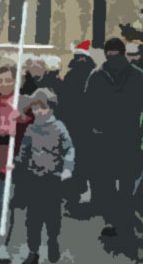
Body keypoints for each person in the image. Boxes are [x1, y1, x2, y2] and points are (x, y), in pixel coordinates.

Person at [84, 37, 143, 238]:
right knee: (119, 180)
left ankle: (115, 218)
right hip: (120, 135)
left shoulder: (98, 75)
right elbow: (141, 103)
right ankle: (119, 217)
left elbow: (88, 104)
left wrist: (95, 126)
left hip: (112, 135)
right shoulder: (134, 75)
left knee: (113, 180)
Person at [10, 88, 74, 264]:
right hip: (33, 177)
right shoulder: (31, 129)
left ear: (51, 109)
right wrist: (16, 163)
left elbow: (69, 149)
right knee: (33, 218)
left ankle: (53, 240)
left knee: (52, 215)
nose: (39, 112)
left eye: (43, 108)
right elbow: (24, 150)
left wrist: (68, 168)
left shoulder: (59, 127)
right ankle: (33, 250)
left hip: (52, 178)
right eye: (36, 108)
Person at [0, 66, 32, 230]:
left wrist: (20, 120)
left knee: (16, 199)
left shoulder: (22, 101)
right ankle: (2, 231)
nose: (4, 84)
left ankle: (14, 228)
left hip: (18, 156)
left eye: (8, 80)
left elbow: (31, 125)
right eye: (0, 80)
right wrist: (2, 130)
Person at [62, 41, 96, 209]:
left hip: (85, 126)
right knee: (77, 161)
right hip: (76, 125)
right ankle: (75, 193)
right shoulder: (75, 76)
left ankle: (79, 192)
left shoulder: (93, 76)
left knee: (83, 161)